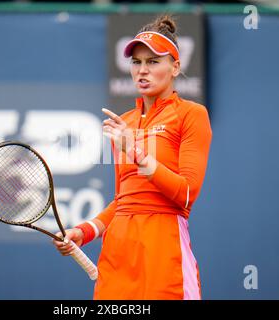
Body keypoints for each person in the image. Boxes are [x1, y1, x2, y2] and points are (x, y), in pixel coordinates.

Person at [53, 14, 212, 300]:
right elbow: (125, 199)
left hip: (164, 249)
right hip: (118, 253)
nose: (142, 70)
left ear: (175, 67)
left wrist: (136, 151)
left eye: (153, 62)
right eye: (136, 62)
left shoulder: (192, 114)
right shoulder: (123, 122)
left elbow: (186, 195)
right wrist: (85, 231)